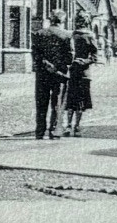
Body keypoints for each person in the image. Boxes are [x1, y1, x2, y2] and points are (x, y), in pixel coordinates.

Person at [32, 10, 73, 139]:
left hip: (42, 74)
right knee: (57, 103)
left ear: (50, 19)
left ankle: (39, 130)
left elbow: (35, 54)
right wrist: (57, 66)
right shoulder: (67, 35)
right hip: (59, 75)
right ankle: (54, 130)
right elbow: (70, 58)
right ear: (62, 21)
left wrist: (46, 64)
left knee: (41, 102)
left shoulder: (39, 34)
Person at [66, 18, 98, 137]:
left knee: (75, 101)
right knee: (75, 101)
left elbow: (94, 56)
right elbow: (94, 57)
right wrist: (81, 61)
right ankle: (74, 126)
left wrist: (80, 61)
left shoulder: (81, 36)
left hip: (79, 72)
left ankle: (72, 126)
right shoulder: (75, 36)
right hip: (79, 72)